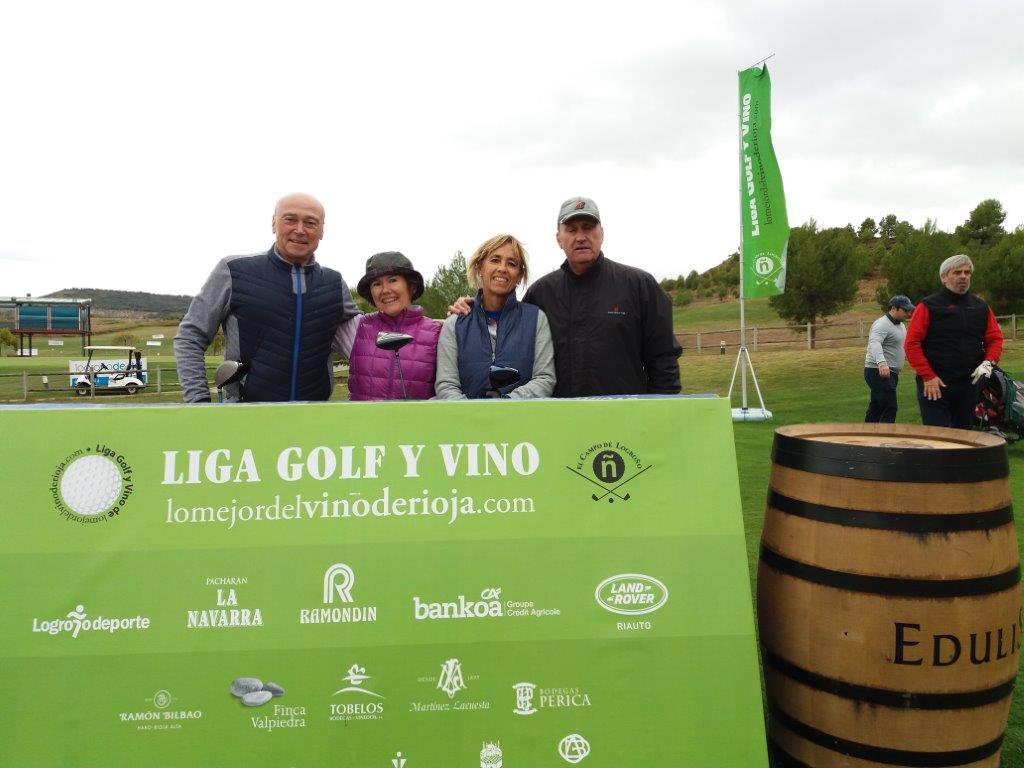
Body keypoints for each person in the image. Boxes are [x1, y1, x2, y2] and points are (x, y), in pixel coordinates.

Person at [174, 193, 359, 403]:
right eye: (290, 219)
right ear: (273, 223)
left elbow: (364, 338)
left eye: (310, 222)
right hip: (246, 417)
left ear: (322, 231)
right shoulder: (233, 271)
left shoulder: (334, 283)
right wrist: (198, 402)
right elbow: (190, 336)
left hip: (312, 419)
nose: (300, 230)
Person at [523, 197, 681, 397]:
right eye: (571, 230)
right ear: (558, 239)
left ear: (602, 233)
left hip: (624, 420)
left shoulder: (639, 286)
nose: (580, 237)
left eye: (588, 228)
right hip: (558, 421)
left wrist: (662, 412)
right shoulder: (540, 294)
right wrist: (475, 309)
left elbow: (664, 360)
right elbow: (510, 341)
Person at [434, 234, 555, 399]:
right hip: (466, 422)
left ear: (520, 274)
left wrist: (507, 406)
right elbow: (446, 384)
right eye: (495, 260)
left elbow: (545, 378)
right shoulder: (455, 323)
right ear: (480, 267)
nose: (502, 268)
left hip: (521, 421)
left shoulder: (536, 319)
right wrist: (471, 415)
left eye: (511, 263)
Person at [904, 254, 1003, 429]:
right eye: (957, 272)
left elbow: (995, 339)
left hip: (969, 384)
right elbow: (911, 343)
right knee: (939, 438)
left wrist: (989, 362)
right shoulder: (928, 306)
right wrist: (927, 376)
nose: (963, 276)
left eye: (967, 272)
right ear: (944, 277)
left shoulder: (980, 307)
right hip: (934, 384)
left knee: (963, 435)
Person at [339, 251, 441, 400]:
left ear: (411, 286)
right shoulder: (356, 327)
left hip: (418, 423)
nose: (385, 290)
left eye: (393, 280)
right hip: (363, 423)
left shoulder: (438, 332)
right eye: (377, 284)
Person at [863, 295, 914, 423]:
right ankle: (886, 439)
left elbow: (900, 347)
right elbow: (875, 343)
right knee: (890, 407)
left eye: (909, 310)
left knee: (876, 407)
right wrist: (882, 363)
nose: (909, 313)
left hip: (891, 373)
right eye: (905, 310)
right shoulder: (882, 324)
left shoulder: (900, 325)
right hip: (878, 371)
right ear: (893, 308)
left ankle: (867, 438)